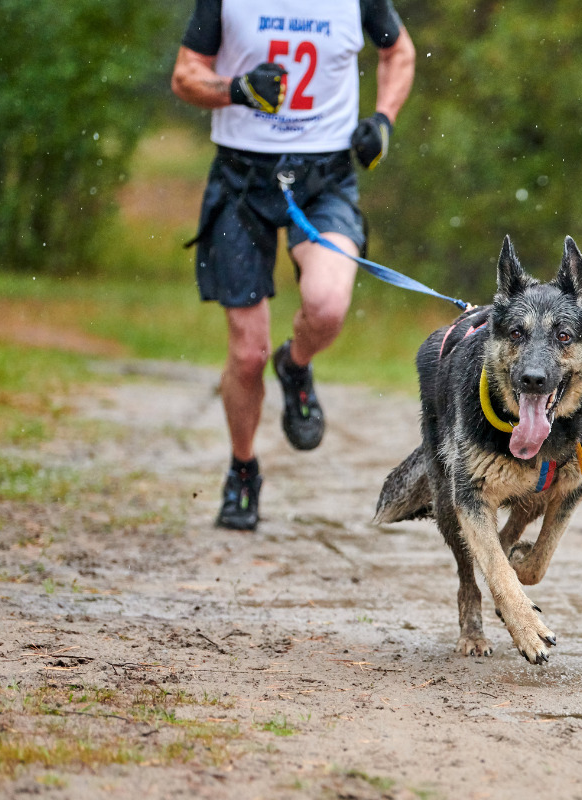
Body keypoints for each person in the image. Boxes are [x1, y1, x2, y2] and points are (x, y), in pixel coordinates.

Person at [171, 0, 415, 531]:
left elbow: (399, 52)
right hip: (240, 178)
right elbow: (186, 75)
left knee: (327, 306)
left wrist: (383, 120)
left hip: (326, 177)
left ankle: (296, 363)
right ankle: (243, 469)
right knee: (247, 353)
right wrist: (236, 89)